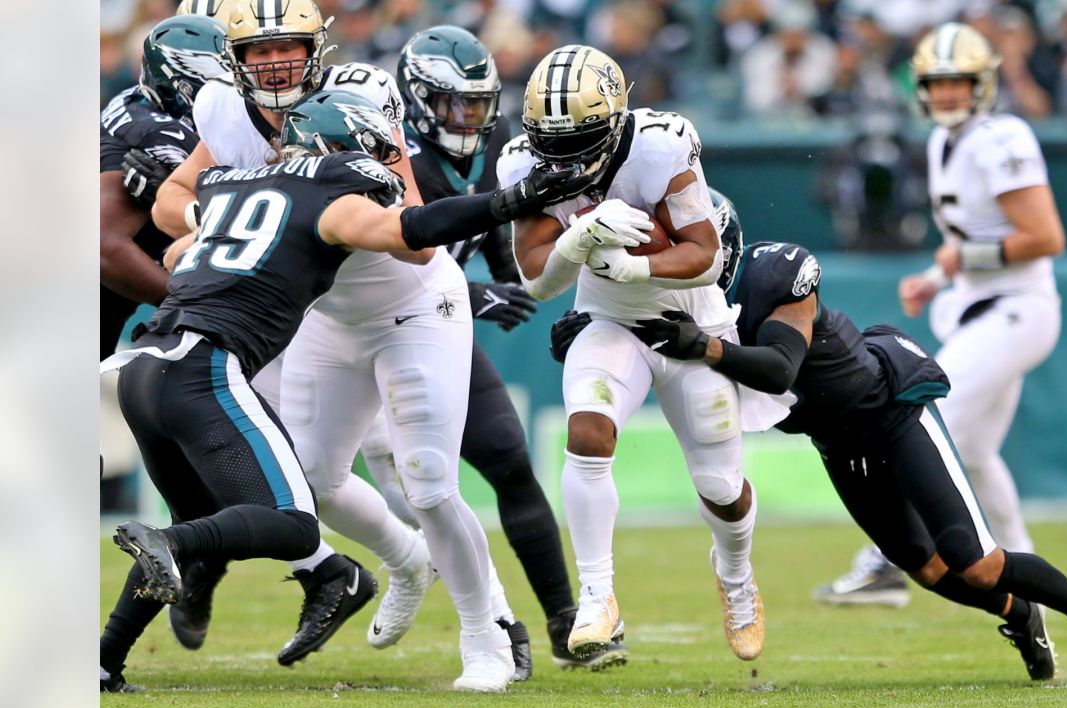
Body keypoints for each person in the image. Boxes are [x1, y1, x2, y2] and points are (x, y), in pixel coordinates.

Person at [550, 191, 1067, 685]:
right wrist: (594, 329)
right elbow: (650, 349)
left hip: (892, 412)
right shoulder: (672, 302)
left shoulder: (773, 273)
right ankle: (1021, 614)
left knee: (975, 560)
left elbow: (778, 368)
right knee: (930, 571)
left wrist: (702, 345)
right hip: (837, 443)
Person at [144, 0, 571, 671]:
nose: (275, 61)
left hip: (411, 310)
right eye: (258, 51)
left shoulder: (360, 101)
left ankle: (488, 637)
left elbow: (415, 239)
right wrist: (218, 220)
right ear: (235, 60)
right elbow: (171, 196)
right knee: (312, 482)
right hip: (324, 318)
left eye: (288, 46)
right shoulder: (224, 112)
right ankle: (406, 561)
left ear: (318, 48)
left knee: (429, 481)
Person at [498, 44, 766, 663]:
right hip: (609, 317)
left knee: (721, 484)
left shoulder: (659, 145)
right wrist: (580, 238)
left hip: (688, 318)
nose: (564, 157)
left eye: (582, 138)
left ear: (617, 118)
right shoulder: (521, 161)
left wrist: (634, 262)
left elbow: (704, 255)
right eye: (551, 140)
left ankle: (736, 576)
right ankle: (598, 598)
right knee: (588, 434)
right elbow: (537, 278)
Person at [381, 26, 627, 671]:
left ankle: (560, 621)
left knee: (509, 463)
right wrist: (474, 294)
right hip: (363, 338)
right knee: (376, 485)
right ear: (414, 100)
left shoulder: (491, 159)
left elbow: (513, 266)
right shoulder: (391, 155)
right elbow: (383, 250)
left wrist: (569, 286)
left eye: (477, 104)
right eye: (451, 105)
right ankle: (484, 621)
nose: (466, 118)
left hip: (435, 332)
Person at [817, 22, 1065, 609]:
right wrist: (935, 278)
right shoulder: (939, 143)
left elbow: (1046, 236)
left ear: (982, 84)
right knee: (973, 456)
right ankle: (1033, 589)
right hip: (983, 307)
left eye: (959, 82)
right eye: (937, 83)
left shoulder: (1002, 138)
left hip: (1018, 308)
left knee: (920, 422)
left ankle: (883, 562)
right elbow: (969, 239)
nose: (948, 93)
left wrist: (960, 258)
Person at [101, 14, 228, 361]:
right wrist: (187, 308)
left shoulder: (138, 106)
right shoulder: (156, 135)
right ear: (182, 85)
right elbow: (102, 246)